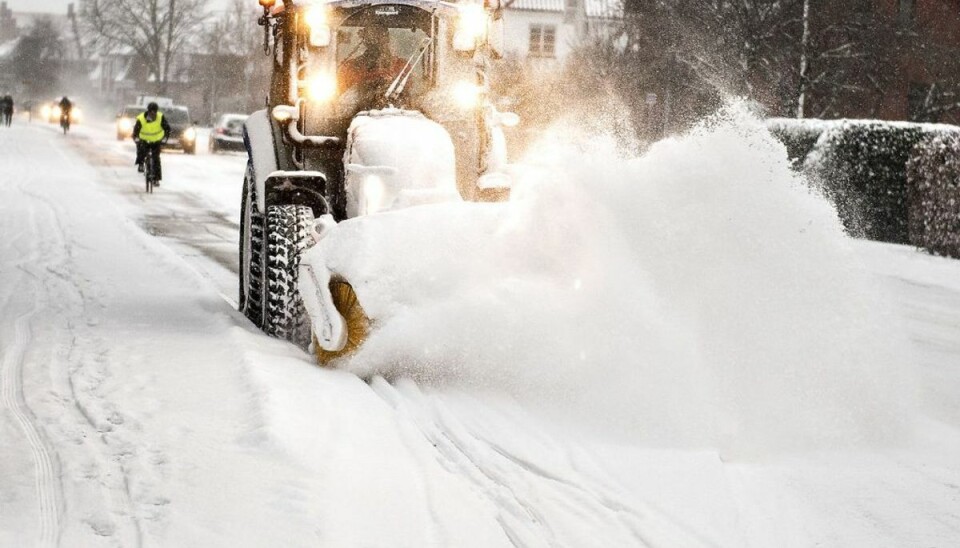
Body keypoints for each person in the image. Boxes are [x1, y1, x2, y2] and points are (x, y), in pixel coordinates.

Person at [337, 24, 406, 98]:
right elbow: (339, 100)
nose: (376, 40)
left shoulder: (402, 66)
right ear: (364, 39)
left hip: (398, 109)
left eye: (380, 35)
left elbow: (409, 97)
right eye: (372, 36)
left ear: (387, 38)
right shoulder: (350, 68)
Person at [132, 102, 171, 184]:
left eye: (155, 112)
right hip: (144, 140)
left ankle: (156, 179)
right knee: (141, 151)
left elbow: (167, 128)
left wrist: (165, 138)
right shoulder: (141, 118)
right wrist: (136, 138)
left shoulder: (160, 117)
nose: (153, 114)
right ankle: (141, 164)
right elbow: (136, 131)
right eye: (151, 112)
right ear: (148, 111)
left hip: (156, 141)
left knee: (156, 159)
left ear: (157, 112)